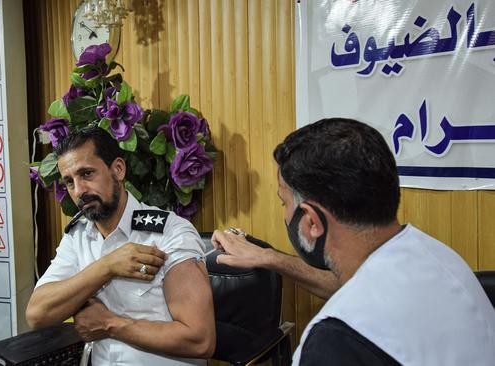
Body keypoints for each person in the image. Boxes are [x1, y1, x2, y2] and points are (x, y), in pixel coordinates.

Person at [211, 118, 495, 365]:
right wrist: (271, 258)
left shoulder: (336, 340)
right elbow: (359, 286)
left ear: (311, 221)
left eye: (283, 203)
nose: (285, 215)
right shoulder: (435, 255)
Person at [26, 127, 215, 366]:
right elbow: (36, 314)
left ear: (118, 169)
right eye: (70, 182)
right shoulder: (79, 236)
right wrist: (107, 266)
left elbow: (200, 340)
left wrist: (111, 324)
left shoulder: (170, 233)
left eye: (86, 174)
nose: (79, 191)